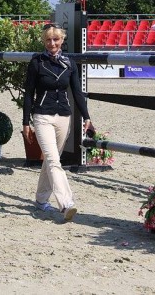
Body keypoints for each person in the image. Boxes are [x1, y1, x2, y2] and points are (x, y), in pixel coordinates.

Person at [22, 23, 95, 222]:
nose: (52, 43)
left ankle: (40, 200)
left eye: (56, 39)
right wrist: (25, 122)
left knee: (50, 161)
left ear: (62, 40)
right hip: (42, 115)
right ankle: (66, 203)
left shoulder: (69, 63)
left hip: (64, 115)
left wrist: (87, 116)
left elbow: (77, 93)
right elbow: (28, 93)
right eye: (48, 40)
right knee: (54, 161)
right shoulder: (37, 62)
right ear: (44, 41)